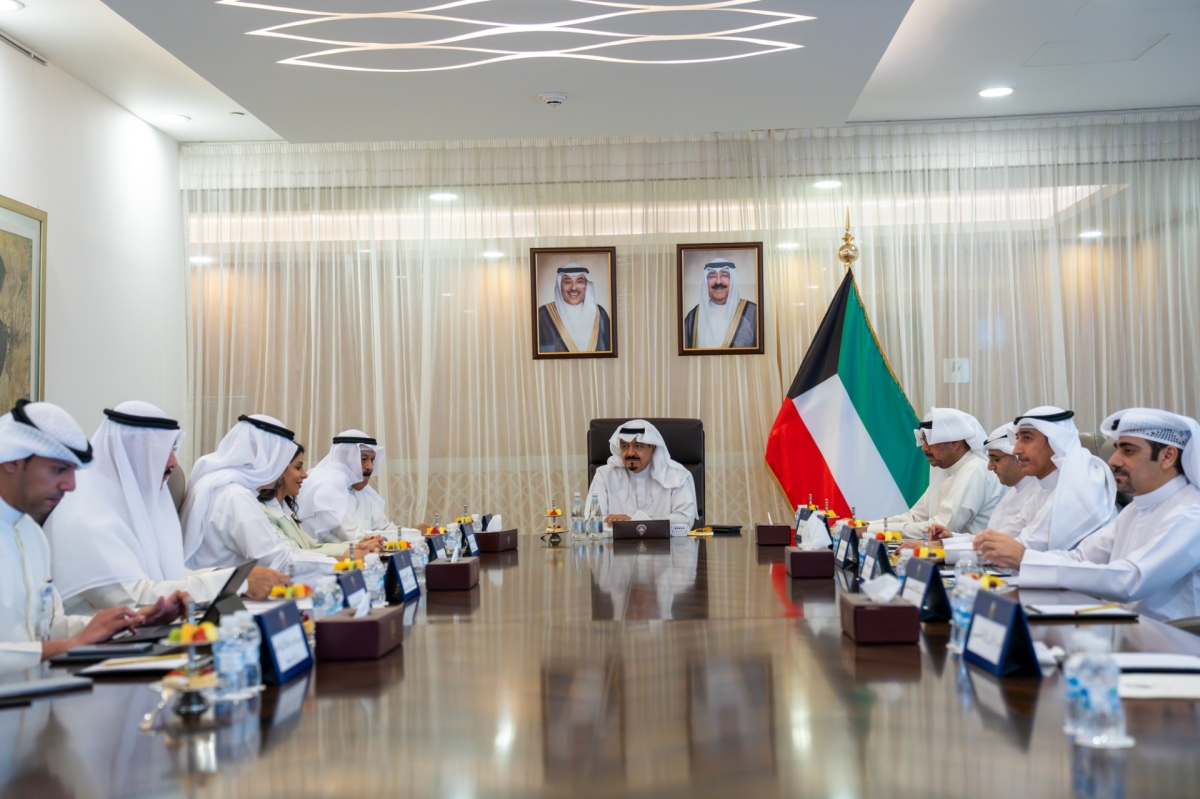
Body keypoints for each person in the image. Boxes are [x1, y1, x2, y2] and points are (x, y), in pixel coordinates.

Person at [46, 402, 288, 613]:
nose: (173, 462)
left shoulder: (135, 508)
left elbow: (172, 576)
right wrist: (237, 583)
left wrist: (236, 578)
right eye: (160, 451)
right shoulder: (85, 517)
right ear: (128, 453)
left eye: (173, 449)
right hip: (99, 646)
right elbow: (135, 599)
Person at [0, 401, 180, 672]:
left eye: (74, 472)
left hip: (40, 691)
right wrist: (70, 645)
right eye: (58, 470)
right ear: (12, 462)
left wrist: (133, 620)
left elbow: (49, 628)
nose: (71, 485)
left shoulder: (31, 535)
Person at [990, 409, 1200, 622]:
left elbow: (1130, 580)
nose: (1113, 461)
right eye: (1117, 449)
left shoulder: (1191, 515)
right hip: (1119, 624)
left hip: (1168, 636)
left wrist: (1026, 558)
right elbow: (1080, 557)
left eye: (1129, 451)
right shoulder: (1136, 509)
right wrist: (1025, 559)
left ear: (1167, 456)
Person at [181, 414, 332, 575]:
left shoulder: (218, 484)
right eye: (280, 460)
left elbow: (279, 550)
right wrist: (338, 565)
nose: (280, 469)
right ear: (267, 458)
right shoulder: (235, 496)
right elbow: (277, 562)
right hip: (228, 590)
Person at [975, 406, 1117, 562]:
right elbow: (1007, 536)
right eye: (1017, 439)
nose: (1016, 450)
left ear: (1055, 443)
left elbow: (1022, 548)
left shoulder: (1078, 488)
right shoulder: (1044, 489)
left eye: (1027, 438)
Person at [870, 408, 1003, 540]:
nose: (924, 448)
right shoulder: (946, 470)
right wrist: (867, 526)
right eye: (923, 440)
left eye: (929, 440)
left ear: (955, 443)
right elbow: (916, 517)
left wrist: (872, 530)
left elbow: (939, 528)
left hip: (974, 553)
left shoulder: (974, 469)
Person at [261, 442, 384, 558]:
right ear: (278, 470)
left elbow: (313, 546)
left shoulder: (285, 508)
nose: (305, 474)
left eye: (372, 460)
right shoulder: (263, 513)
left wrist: (359, 545)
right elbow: (292, 556)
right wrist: (351, 554)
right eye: (298, 467)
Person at [928, 423, 1038, 540]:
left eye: (996, 459)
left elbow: (1009, 545)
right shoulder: (1013, 494)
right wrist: (951, 537)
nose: (990, 467)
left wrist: (946, 543)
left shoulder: (1037, 494)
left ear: (1017, 458)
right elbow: (995, 539)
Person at [586, 420, 696, 529]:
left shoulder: (677, 476)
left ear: (652, 448)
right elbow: (590, 522)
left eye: (638, 446)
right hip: (615, 541)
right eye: (625, 446)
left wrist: (634, 522)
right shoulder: (604, 476)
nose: (630, 453)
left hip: (662, 542)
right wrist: (641, 525)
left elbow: (685, 520)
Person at [296, 430, 397, 543]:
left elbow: (384, 527)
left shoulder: (363, 492)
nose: (370, 467)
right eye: (363, 459)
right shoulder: (327, 489)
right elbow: (352, 537)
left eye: (372, 460)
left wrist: (410, 534)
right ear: (344, 459)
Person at [683, 259, 758, 349]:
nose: (718, 281)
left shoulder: (753, 313)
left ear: (733, 280)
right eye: (712, 276)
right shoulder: (693, 317)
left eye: (724, 275)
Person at [537, 264, 612, 353]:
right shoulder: (543, 314)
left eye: (579, 282)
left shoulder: (599, 313)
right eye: (567, 282)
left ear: (587, 285)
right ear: (560, 285)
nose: (574, 288)